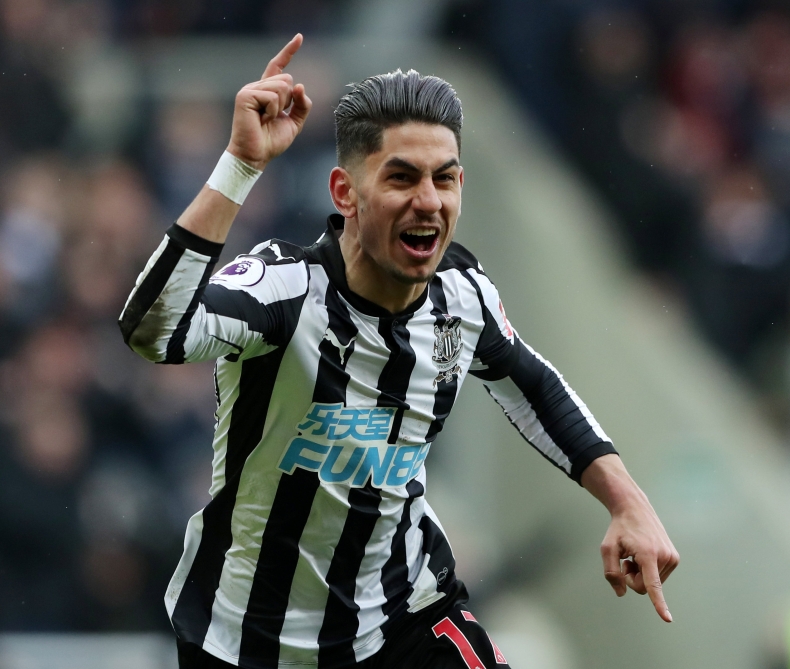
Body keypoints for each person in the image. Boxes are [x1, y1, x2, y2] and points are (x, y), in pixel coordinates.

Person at [120, 34, 679, 669]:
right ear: (344, 193)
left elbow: (534, 385)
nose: (429, 201)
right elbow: (153, 332)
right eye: (402, 177)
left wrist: (626, 501)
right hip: (247, 639)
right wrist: (240, 167)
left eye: (446, 179)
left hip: (402, 618)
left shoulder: (462, 297)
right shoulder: (284, 290)